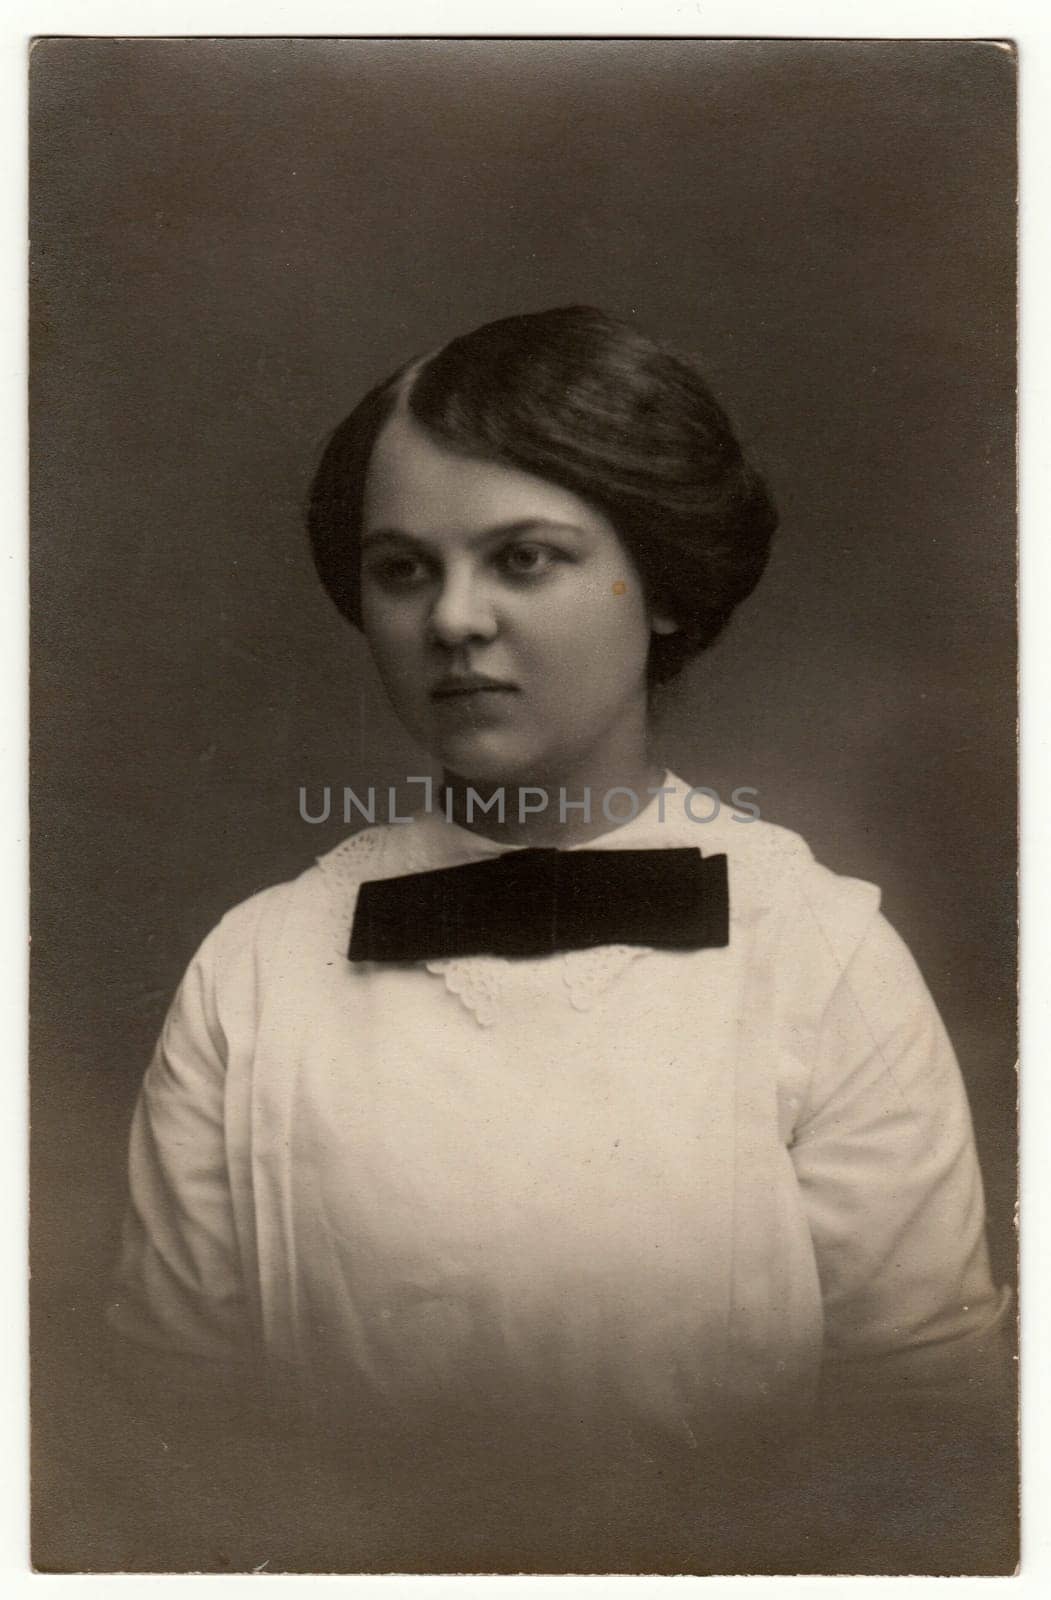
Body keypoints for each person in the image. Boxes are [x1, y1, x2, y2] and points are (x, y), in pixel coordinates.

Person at [107, 307, 1012, 1574]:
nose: (454, 620)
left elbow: (927, 1432)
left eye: (522, 559)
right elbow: (170, 1427)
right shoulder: (252, 971)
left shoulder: (823, 962)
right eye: (404, 568)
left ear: (659, 588)